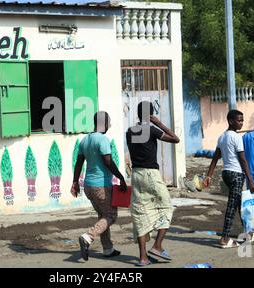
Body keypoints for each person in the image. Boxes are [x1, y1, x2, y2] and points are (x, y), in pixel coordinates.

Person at [126, 101, 180, 266]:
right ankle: (157, 246)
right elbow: (175, 139)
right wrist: (159, 123)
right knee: (166, 207)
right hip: (151, 174)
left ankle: (143, 257)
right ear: (150, 114)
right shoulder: (151, 129)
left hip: (136, 175)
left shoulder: (130, 131)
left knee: (140, 213)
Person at [72, 111, 127, 261]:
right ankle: (88, 237)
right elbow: (108, 161)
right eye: (109, 122)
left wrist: (75, 182)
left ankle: (108, 249)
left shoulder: (85, 140)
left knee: (103, 216)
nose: (110, 125)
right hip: (101, 186)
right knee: (111, 215)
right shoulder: (102, 140)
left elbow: (79, 163)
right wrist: (121, 177)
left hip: (88, 186)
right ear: (104, 123)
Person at [202, 109, 254, 248]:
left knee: (240, 205)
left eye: (242, 120)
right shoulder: (236, 137)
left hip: (226, 173)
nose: (241, 123)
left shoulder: (222, 137)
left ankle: (249, 233)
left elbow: (215, 158)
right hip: (236, 175)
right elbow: (243, 160)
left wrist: (209, 175)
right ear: (231, 121)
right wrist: (250, 180)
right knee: (232, 207)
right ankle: (224, 239)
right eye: (239, 120)